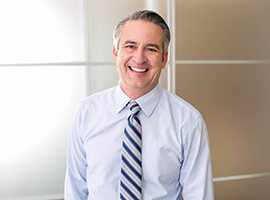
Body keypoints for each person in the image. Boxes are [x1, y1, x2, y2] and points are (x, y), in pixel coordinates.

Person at [65, 10, 214, 200]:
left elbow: (199, 196)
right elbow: (75, 190)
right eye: (130, 46)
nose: (139, 58)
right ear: (115, 53)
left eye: (151, 49)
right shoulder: (87, 112)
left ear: (164, 59)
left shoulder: (188, 121)